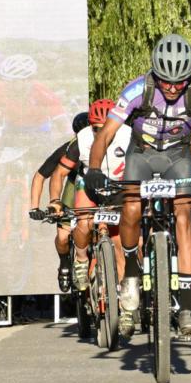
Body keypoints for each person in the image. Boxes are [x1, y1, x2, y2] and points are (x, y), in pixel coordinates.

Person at [87, 33, 191, 342]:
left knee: (184, 216)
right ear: (155, 73)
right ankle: (132, 272)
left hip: (178, 156)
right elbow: (106, 134)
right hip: (142, 154)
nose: (173, 88)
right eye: (167, 82)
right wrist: (94, 169)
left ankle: (187, 307)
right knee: (131, 208)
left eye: (180, 82)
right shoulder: (137, 89)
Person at [51, 99, 132, 290]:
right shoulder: (82, 139)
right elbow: (59, 173)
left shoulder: (129, 135)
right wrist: (55, 200)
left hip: (119, 187)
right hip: (89, 186)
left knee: (120, 243)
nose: (101, 134)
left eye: (107, 128)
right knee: (84, 223)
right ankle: (81, 260)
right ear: (90, 126)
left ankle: (125, 298)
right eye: (96, 129)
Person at [29, 111, 88, 293]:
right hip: (74, 185)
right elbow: (40, 176)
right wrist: (35, 207)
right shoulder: (69, 148)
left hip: (97, 186)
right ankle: (64, 262)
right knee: (63, 237)